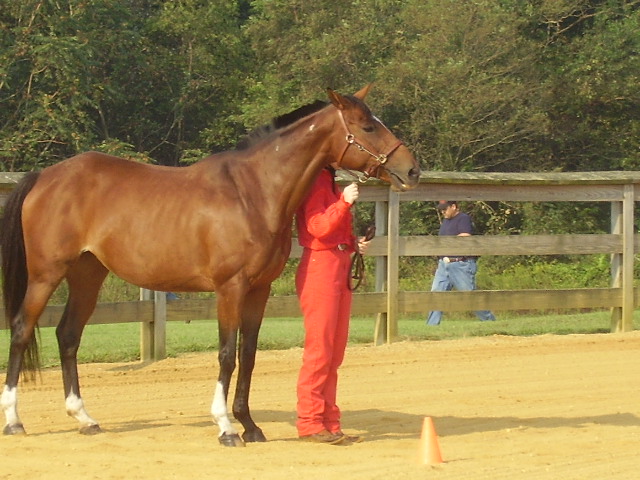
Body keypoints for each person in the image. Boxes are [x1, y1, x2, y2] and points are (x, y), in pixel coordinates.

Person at [295, 166, 370, 445]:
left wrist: (352, 242)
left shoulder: (327, 180)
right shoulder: (315, 182)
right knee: (320, 350)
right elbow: (317, 227)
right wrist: (344, 202)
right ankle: (310, 422)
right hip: (321, 267)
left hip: (336, 263)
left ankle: (329, 422)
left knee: (334, 352)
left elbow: (332, 230)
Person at [426, 200, 496, 325]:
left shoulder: (463, 218)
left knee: (470, 296)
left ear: (454, 207)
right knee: (436, 295)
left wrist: (447, 243)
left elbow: (465, 236)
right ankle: (431, 326)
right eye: (441, 209)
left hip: (460, 264)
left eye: (445, 209)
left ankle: (490, 321)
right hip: (444, 264)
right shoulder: (446, 222)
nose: (443, 212)